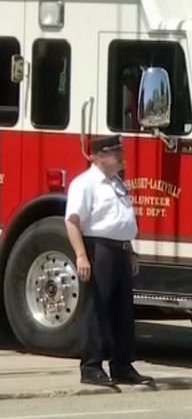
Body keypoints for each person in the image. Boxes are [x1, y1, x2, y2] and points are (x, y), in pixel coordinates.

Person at [65, 135, 151, 388]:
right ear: (100, 156)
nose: (122, 157)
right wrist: (81, 255)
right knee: (96, 309)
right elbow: (72, 221)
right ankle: (91, 367)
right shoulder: (86, 183)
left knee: (123, 311)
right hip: (98, 249)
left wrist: (130, 251)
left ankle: (122, 365)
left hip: (120, 250)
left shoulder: (117, 183)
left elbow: (121, 221)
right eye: (117, 153)